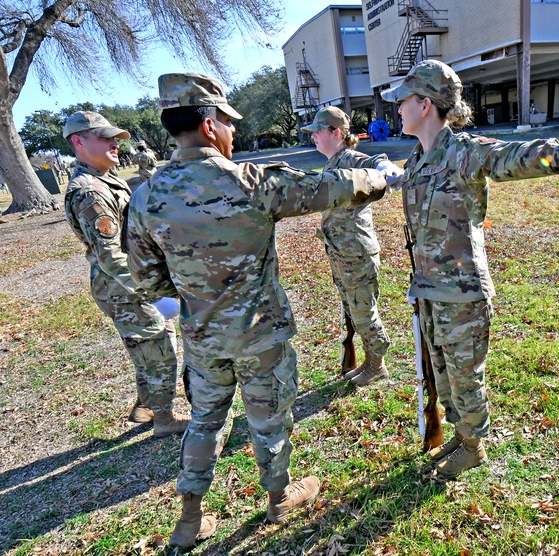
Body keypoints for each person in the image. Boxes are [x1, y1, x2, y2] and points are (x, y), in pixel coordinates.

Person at [124, 72, 398, 548]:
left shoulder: (146, 195)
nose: (232, 132)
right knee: (268, 419)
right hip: (260, 336)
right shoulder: (251, 181)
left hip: (203, 340)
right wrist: (381, 177)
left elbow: (147, 282)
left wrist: (194, 304)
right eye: (228, 123)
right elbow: (330, 187)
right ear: (210, 125)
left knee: (207, 421)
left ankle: (189, 519)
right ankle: (278, 498)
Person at [381, 59, 559, 478]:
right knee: (443, 371)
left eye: (402, 101)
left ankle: (473, 447)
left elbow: (514, 156)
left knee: (464, 375)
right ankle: (460, 433)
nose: (396, 109)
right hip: (430, 290)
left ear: (424, 104)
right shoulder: (418, 160)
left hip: (462, 292)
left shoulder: (464, 152)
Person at [61, 111, 188, 437]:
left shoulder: (105, 178)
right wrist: (152, 291)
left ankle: (145, 408)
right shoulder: (90, 191)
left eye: (114, 137)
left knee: (151, 345)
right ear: (79, 142)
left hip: (129, 284)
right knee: (159, 350)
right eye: (104, 137)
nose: (114, 143)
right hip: (124, 287)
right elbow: (110, 256)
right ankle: (163, 420)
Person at [302, 107, 392, 386]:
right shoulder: (332, 162)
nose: (314, 136)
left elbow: (376, 161)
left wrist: (384, 167)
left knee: (364, 312)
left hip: (356, 252)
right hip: (341, 253)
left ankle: (377, 364)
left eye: (319, 131)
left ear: (336, 132)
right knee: (353, 310)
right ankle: (369, 360)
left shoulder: (350, 159)